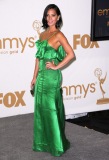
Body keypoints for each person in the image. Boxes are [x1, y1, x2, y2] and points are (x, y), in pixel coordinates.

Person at [31, 4, 75, 157]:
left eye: (53, 15)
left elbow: (71, 54)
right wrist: (34, 77)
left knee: (51, 110)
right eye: (47, 15)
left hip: (51, 78)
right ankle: (43, 143)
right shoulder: (42, 34)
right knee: (41, 111)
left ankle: (57, 145)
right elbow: (38, 58)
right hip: (41, 76)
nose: (50, 18)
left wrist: (57, 67)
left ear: (58, 17)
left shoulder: (58, 35)